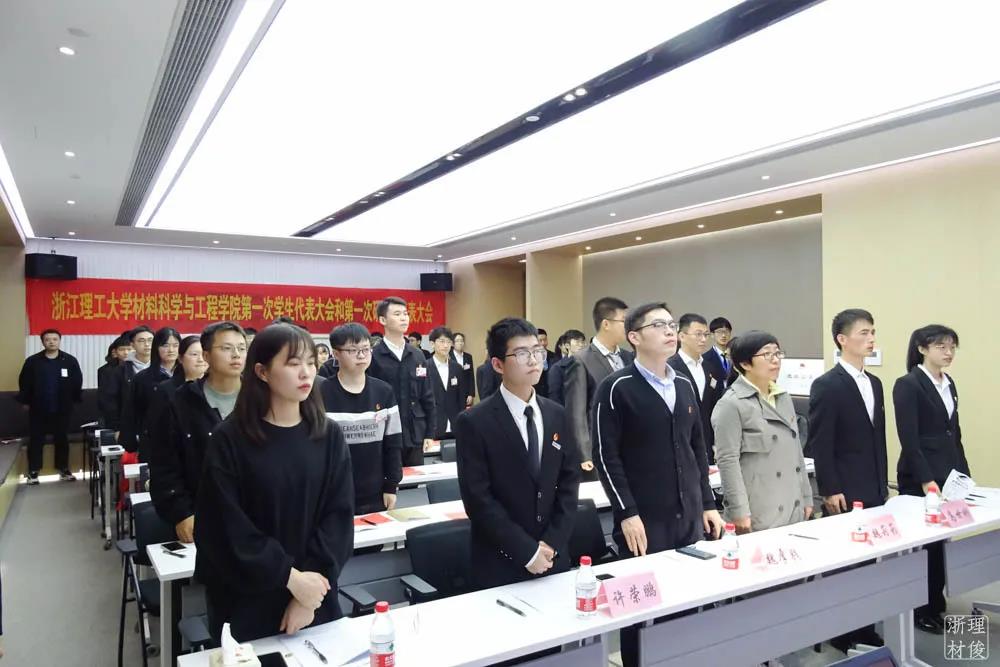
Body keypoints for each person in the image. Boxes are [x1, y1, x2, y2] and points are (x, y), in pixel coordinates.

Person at [195, 323, 353, 643]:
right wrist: (290, 578)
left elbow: (338, 517)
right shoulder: (230, 439)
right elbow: (225, 525)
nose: (306, 372)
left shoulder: (328, 435)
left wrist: (308, 593)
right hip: (248, 596)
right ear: (262, 372)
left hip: (316, 594)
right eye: (293, 363)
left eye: (311, 362)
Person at [591, 303, 721, 667]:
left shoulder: (683, 384)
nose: (669, 331)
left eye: (671, 324)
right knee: (643, 609)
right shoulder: (615, 388)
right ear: (634, 337)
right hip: (644, 519)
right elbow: (605, 456)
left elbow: (697, 448)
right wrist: (626, 513)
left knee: (687, 603)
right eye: (658, 325)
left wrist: (708, 503)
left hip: (688, 514)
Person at [456, 317, 580, 590]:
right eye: (522, 354)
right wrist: (527, 552)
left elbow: (569, 484)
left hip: (553, 557)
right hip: (501, 561)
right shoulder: (474, 421)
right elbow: (478, 500)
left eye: (537, 351)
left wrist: (551, 543)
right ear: (498, 364)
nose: (534, 360)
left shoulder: (556, 414)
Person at [807, 308, 887, 651]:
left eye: (872, 332)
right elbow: (820, 442)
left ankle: (865, 625)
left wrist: (883, 484)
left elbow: (878, 439)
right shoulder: (827, 385)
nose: (871, 339)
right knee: (844, 564)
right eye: (863, 333)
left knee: (869, 562)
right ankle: (841, 630)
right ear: (842, 339)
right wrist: (830, 488)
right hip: (844, 489)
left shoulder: (875, 383)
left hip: (873, 486)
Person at [894, 324, 968, 634]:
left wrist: (964, 476)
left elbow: (955, 434)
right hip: (921, 478)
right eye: (941, 346)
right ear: (922, 348)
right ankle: (921, 609)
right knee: (925, 547)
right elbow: (909, 439)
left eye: (952, 347)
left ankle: (935, 603)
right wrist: (926, 480)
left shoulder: (948, 383)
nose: (948, 352)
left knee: (941, 543)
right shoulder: (908, 384)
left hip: (948, 474)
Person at [150, 321, 246, 543]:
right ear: (206, 355)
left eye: (242, 348)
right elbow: (164, 467)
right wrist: (181, 513)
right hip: (201, 516)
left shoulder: (260, 400)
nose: (236, 354)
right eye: (226, 348)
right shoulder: (180, 402)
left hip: (253, 515)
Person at [712, 331, 812, 533]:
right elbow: (727, 461)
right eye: (767, 354)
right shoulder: (732, 404)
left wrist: (806, 496)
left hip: (792, 502)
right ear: (745, 364)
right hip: (758, 509)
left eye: (778, 353)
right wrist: (739, 510)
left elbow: (796, 453)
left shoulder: (782, 397)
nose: (775, 360)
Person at [321, 323, 402, 514]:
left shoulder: (384, 391)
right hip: (332, 493)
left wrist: (391, 485)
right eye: (353, 350)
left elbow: (393, 443)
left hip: (375, 491)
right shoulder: (321, 393)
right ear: (336, 353)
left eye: (366, 349)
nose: (361, 355)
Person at [567, 297, 634, 481]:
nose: (628, 326)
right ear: (606, 324)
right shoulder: (581, 360)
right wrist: (584, 453)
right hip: (601, 447)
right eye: (623, 321)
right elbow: (576, 412)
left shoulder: (628, 357)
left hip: (631, 447)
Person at [367, 297, 436, 466]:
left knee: (415, 481)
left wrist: (429, 433)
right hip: (385, 435)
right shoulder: (374, 356)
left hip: (415, 433)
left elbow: (427, 395)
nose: (404, 318)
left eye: (405, 314)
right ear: (382, 320)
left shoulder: (417, 355)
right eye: (397, 314)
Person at [16, 329, 83, 483]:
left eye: (54, 339)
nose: (51, 342)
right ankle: (33, 471)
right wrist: (25, 401)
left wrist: (74, 400)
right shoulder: (33, 361)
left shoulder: (69, 360)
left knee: (62, 439)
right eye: (48, 339)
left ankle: (64, 469)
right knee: (36, 439)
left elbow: (77, 381)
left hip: (62, 407)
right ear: (43, 342)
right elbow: (24, 382)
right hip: (38, 407)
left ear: (59, 341)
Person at [668, 314, 725, 465]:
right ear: (681, 336)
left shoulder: (709, 367)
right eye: (698, 334)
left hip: (706, 441)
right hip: (680, 442)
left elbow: (715, 406)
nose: (703, 339)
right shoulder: (669, 368)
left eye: (706, 335)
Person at [120, 327, 181, 460]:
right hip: (153, 441)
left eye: (176, 345)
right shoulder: (143, 378)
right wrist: (130, 441)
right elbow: (132, 411)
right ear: (156, 348)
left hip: (183, 440)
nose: (171, 350)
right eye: (165, 345)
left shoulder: (187, 375)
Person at [107, 325, 154, 443]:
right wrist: (117, 428)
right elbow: (111, 402)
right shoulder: (120, 371)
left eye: (150, 340)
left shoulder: (162, 368)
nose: (147, 344)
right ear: (132, 345)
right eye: (141, 341)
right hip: (131, 426)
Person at [426, 327, 465, 439]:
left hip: (455, 426)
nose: (446, 345)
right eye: (442, 341)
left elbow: (461, 398)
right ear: (432, 344)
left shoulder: (457, 368)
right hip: (433, 427)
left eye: (448, 342)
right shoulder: (425, 367)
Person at [546, 329, 587, 406]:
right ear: (567, 345)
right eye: (577, 342)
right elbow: (554, 396)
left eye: (583, 342)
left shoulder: (588, 365)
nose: (581, 345)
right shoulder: (558, 368)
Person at [97, 334, 130, 428]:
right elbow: (107, 400)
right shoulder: (107, 371)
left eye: (129, 349)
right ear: (115, 352)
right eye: (122, 349)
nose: (126, 353)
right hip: (116, 418)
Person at [703, 317, 737, 390]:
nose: (723, 335)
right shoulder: (704, 359)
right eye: (719, 332)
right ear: (712, 334)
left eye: (726, 331)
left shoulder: (736, 356)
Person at [452, 332, 476, 408]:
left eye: (462, 341)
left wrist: (471, 394)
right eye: (457, 341)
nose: (460, 343)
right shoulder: (448, 356)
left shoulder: (468, 357)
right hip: (453, 392)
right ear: (453, 343)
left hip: (466, 393)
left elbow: (471, 376)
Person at [534, 328, 558, 398]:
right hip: (536, 393)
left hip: (551, 394)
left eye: (545, 340)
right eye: (540, 340)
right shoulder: (531, 357)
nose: (543, 343)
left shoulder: (555, 356)